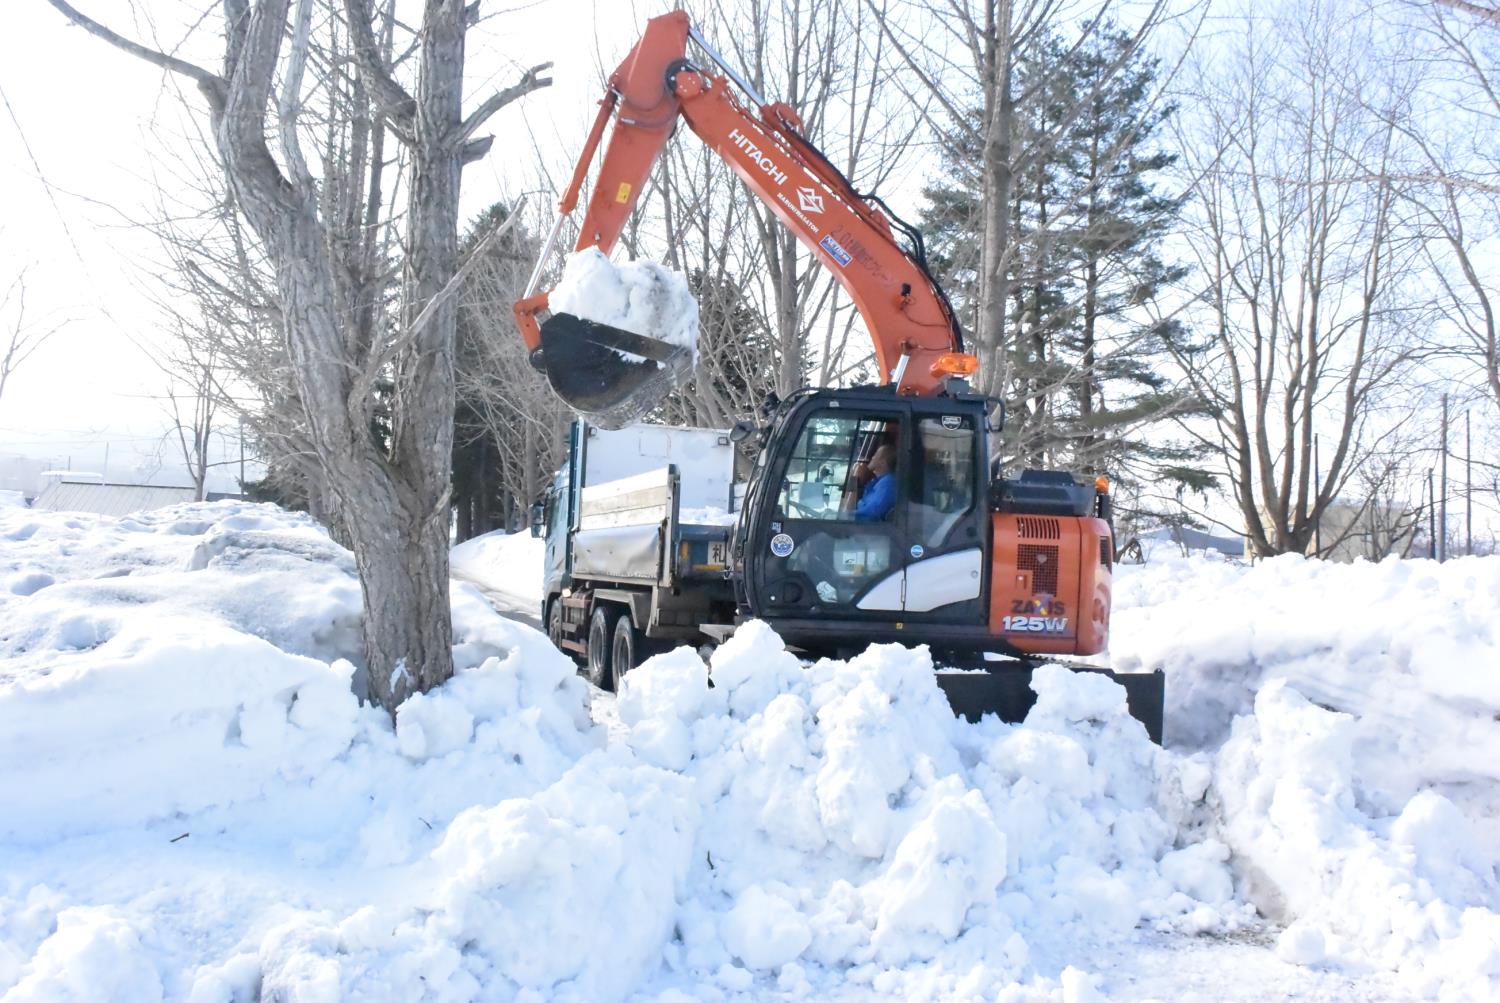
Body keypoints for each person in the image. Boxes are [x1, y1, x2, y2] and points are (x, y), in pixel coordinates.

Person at [847, 444, 897, 521]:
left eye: (875, 455)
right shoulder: (876, 481)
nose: (872, 458)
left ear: (883, 463)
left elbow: (870, 515)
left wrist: (842, 515)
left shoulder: (888, 484)